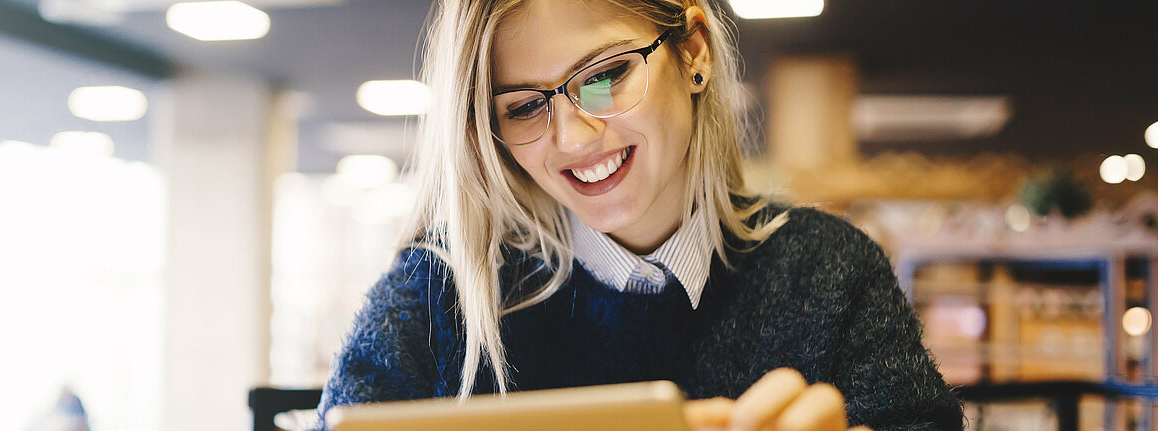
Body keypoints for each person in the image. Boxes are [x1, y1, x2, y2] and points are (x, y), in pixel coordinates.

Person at [317, 0, 963, 430]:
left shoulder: (830, 276)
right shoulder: (441, 292)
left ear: (695, 53)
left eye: (604, 76)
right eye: (523, 108)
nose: (572, 138)